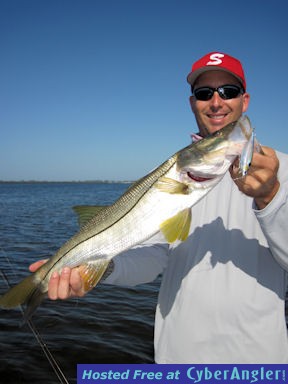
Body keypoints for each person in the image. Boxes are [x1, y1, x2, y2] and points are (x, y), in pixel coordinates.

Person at [30, 52, 288, 363]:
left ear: (244, 101)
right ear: (193, 103)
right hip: (176, 356)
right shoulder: (174, 173)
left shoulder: (283, 170)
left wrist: (270, 197)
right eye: (204, 93)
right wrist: (99, 267)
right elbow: (154, 256)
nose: (216, 102)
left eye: (228, 91)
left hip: (258, 360)